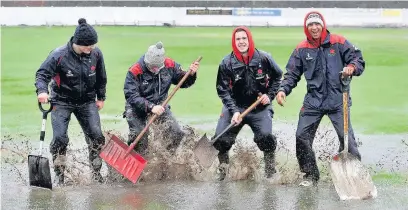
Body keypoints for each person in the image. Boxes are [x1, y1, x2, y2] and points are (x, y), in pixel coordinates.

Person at [276, 11, 365, 187]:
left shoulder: (338, 42)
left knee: (348, 142)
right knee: (302, 137)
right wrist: (282, 90)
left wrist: (351, 67)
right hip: (313, 102)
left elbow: (357, 59)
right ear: (306, 28)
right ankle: (310, 175)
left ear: (322, 25)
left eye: (317, 24)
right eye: (310, 25)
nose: (314, 27)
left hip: (338, 100)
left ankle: (353, 176)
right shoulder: (301, 49)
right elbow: (292, 74)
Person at [34, 18, 107, 185]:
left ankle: (96, 173)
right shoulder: (58, 55)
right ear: (78, 42)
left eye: (93, 45)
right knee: (60, 139)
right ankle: (60, 176)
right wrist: (42, 91)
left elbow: (101, 77)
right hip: (61, 101)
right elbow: (42, 75)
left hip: (87, 101)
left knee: (97, 137)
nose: (92, 48)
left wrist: (101, 97)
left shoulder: (96, 54)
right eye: (88, 45)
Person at [212, 26, 283, 181]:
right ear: (234, 41)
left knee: (266, 137)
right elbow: (222, 90)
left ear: (249, 39)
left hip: (260, 109)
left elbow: (278, 76)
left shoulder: (264, 58)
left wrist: (269, 95)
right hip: (235, 108)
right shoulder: (226, 63)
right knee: (220, 139)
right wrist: (234, 110)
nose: (241, 42)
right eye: (238, 39)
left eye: (244, 38)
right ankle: (223, 170)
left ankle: (270, 171)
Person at [123, 41, 200, 156]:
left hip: (161, 105)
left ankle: (164, 158)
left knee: (175, 133)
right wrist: (151, 107)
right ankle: (138, 161)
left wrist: (191, 74)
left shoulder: (170, 65)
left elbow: (183, 82)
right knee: (140, 138)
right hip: (137, 107)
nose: (155, 69)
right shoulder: (135, 70)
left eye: (157, 67)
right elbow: (131, 95)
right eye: (151, 67)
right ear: (146, 61)